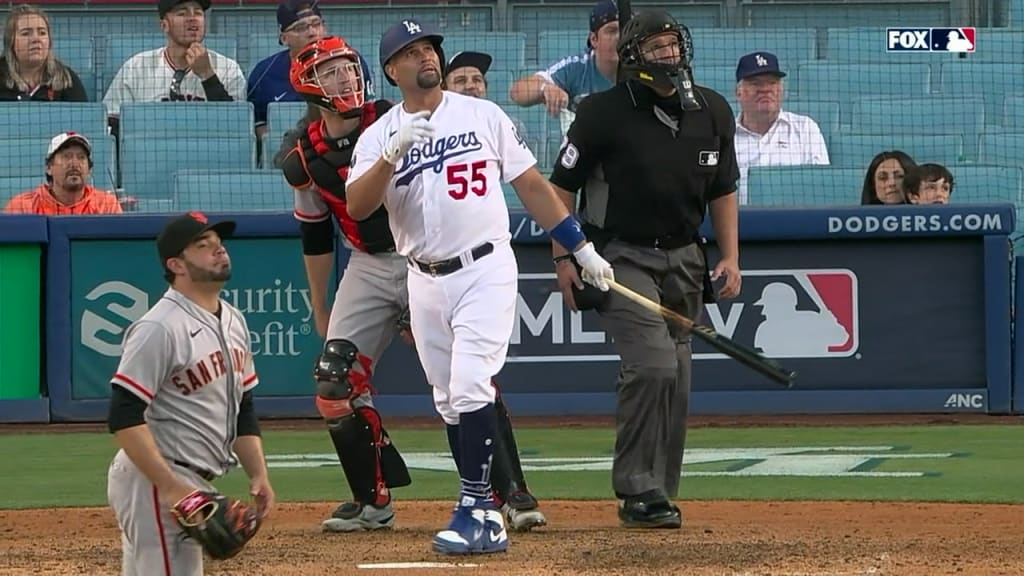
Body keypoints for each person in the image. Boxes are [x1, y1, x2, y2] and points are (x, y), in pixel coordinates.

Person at [345, 19, 613, 555]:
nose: (425, 56)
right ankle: (480, 502)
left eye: (430, 48)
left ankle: (480, 511)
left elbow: (533, 187)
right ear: (392, 69)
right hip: (422, 278)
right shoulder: (379, 135)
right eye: (412, 51)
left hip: (485, 268)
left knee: (471, 386)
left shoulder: (482, 114)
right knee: (447, 401)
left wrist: (579, 246)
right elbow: (357, 207)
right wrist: (392, 152)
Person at [277, 35, 547, 534]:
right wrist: (321, 305)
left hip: (433, 254)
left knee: (470, 374)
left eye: (348, 68)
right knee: (333, 380)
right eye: (331, 72)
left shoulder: (394, 114)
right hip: (368, 262)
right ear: (308, 87)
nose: (345, 79)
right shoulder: (302, 156)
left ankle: (509, 492)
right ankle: (371, 500)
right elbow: (315, 233)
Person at [548, 10, 741, 529]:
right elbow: (559, 191)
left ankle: (659, 491)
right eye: (655, 48)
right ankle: (636, 489)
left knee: (677, 374)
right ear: (633, 56)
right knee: (653, 363)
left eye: (673, 45)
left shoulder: (714, 109)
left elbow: (724, 188)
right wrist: (564, 256)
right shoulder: (600, 113)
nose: (668, 55)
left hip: (686, 256)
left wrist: (731, 255)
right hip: (619, 255)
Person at [105, 211, 275, 575]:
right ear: (176, 264)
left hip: (188, 481)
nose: (219, 251)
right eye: (203, 246)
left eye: (219, 244)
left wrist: (258, 474)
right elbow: (123, 414)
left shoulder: (233, 319)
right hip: (156, 478)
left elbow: (243, 405)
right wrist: (170, 488)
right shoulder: (159, 327)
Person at [102, 0, 246, 135]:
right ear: (164, 25)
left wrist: (208, 76)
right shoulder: (136, 67)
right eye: (182, 13)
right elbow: (109, 123)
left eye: (198, 12)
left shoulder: (228, 68)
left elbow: (237, 128)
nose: (192, 18)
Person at [247, 0, 375, 139]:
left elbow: (367, 111)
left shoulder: (350, 61)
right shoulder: (263, 74)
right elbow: (258, 125)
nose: (312, 33)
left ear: (324, 28)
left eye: (316, 24)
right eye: (300, 27)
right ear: (284, 38)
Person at [509, 0, 619, 136]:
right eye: (612, 31)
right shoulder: (576, 67)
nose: (619, 38)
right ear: (594, 39)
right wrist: (545, 88)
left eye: (625, 31)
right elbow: (517, 92)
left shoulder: (642, 68)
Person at [733, 51, 829, 205]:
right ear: (738, 92)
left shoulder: (805, 129)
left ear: (781, 90)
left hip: (796, 220)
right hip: (740, 223)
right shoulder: (724, 135)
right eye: (756, 83)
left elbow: (820, 188)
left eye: (772, 82)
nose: (765, 89)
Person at [4, 132, 122, 215]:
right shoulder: (22, 207)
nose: (74, 164)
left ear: (89, 170)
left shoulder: (106, 205)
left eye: (81, 157)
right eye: (67, 156)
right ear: (49, 167)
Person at [0, 5, 88, 101]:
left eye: (42, 33)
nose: (36, 39)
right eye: (26, 33)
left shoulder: (66, 79)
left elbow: (83, 115)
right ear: (10, 41)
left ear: (49, 41)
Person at [442, 50, 529, 139]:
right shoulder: (434, 127)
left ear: (485, 88)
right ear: (444, 90)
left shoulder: (507, 125)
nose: (470, 86)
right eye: (460, 81)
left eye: (477, 80)